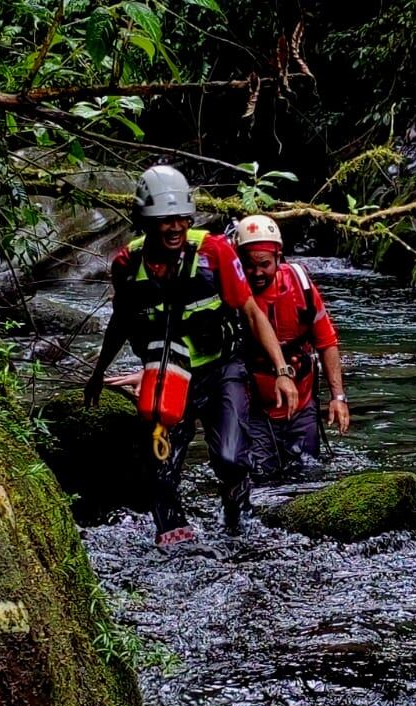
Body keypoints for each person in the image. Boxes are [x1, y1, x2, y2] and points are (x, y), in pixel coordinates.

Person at [84, 166, 299, 548]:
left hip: (221, 370)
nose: (175, 227)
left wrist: (282, 370)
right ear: (145, 221)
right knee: (160, 472)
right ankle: (176, 547)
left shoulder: (214, 252)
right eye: (164, 220)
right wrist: (98, 372)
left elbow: (251, 312)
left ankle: (237, 522)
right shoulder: (126, 265)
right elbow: (120, 322)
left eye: (181, 218)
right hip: (170, 375)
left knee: (231, 459)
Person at [232, 214, 350, 482]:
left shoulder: (300, 285)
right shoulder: (232, 295)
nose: (257, 273)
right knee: (262, 482)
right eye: (249, 266)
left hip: (302, 404)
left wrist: (338, 397)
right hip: (256, 410)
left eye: (264, 264)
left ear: (278, 257)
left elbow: (326, 341)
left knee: (308, 476)